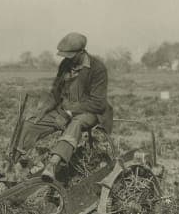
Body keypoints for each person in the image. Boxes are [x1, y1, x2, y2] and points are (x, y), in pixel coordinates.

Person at [16, 32, 113, 182]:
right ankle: (15, 162)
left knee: (76, 123)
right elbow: (55, 93)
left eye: (71, 55)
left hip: (90, 112)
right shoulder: (65, 65)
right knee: (30, 123)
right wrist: (43, 110)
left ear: (82, 52)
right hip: (64, 110)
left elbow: (98, 103)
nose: (67, 59)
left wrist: (69, 113)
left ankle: (52, 165)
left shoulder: (97, 68)